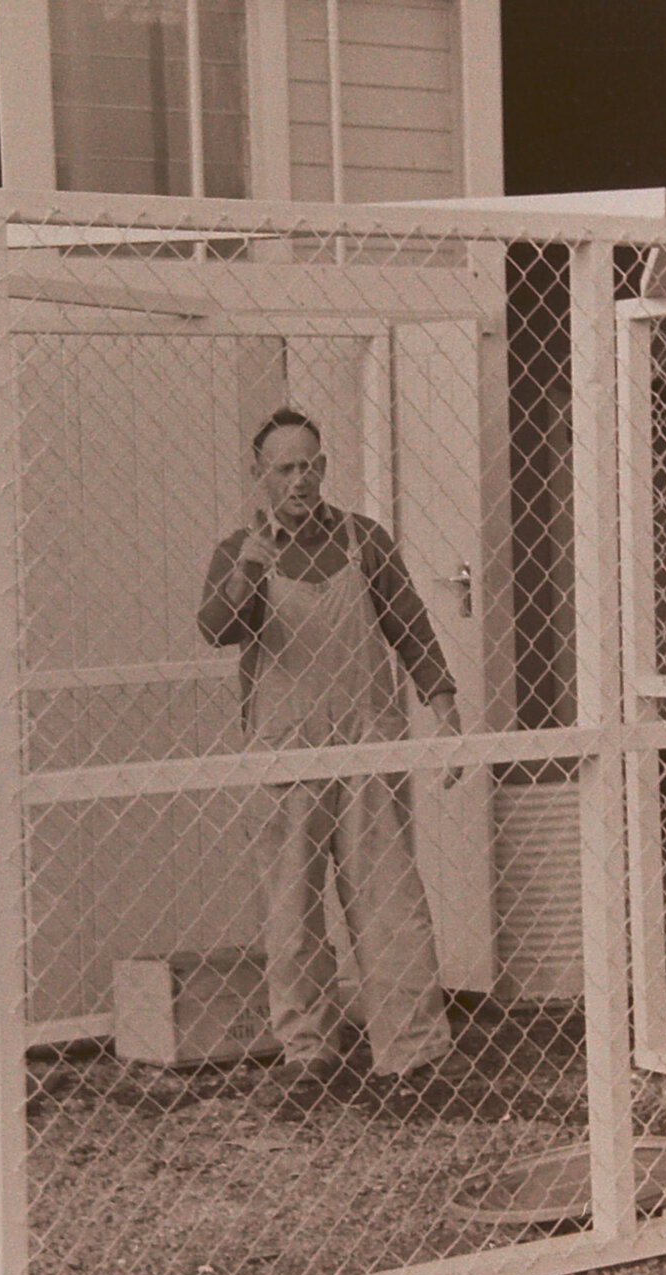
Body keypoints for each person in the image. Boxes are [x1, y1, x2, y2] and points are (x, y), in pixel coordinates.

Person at [198, 408, 463, 1113]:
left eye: (311, 465)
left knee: (390, 897)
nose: (301, 480)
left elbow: (410, 624)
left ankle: (412, 1051)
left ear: (324, 467)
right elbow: (219, 630)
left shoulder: (362, 540)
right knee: (291, 906)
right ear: (259, 475)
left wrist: (444, 710)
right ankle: (309, 1051)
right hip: (286, 751)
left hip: (368, 744)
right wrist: (248, 573)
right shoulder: (239, 550)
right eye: (285, 468)